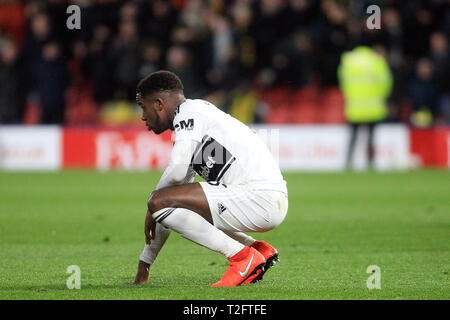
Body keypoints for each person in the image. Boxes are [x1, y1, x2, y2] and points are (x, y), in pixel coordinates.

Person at [129, 70, 288, 287]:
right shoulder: (198, 118)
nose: (142, 116)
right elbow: (170, 202)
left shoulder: (188, 114)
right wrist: (145, 264)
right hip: (268, 199)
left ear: (158, 104)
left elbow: (169, 185)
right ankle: (257, 250)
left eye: (143, 107)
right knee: (165, 202)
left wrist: (153, 204)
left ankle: (242, 257)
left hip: (257, 197)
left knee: (160, 201)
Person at [338, 46, 393, 169]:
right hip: (373, 108)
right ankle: (371, 163)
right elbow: (387, 83)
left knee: (353, 137)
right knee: (371, 138)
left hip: (355, 108)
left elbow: (342, 82)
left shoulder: (349, 61)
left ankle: (348, 163)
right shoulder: (378, 62)